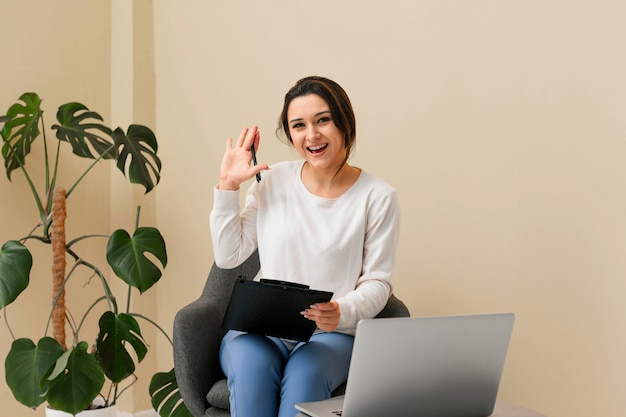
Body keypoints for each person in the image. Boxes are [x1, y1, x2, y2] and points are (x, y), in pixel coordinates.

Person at [210, 76, 400, 417]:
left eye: (322, 120)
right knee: (251, 371)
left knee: (305, 377)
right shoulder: (270, 180)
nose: (311, 135)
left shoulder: (378, 196)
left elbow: (378, 282)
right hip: (260, 330)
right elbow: (228, 256)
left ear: (344, 122)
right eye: (298, 125)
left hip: (331, 334)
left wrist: (342, 311)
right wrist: (227, 187)